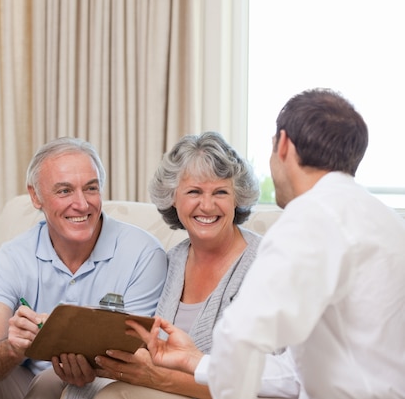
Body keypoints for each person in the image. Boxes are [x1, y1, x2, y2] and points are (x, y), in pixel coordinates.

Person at [128, 88, 405, 398]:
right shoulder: (387, 220)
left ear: (282, 144)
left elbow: (240, 340)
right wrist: (195, 360)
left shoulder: (308, 218)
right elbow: (293, 373)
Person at [0, 137, 168, 399]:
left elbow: (138, 356)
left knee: (52, 380)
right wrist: (13, 347)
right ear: (35, 196)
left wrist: (88, 363)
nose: (81, 204)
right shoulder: (10, 259)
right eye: (64, 191)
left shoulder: (143, 254)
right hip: (23, 382)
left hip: (103, 385)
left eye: (91, 188)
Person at [59, 132, 299, 399]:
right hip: (162, 387)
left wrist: (161, 378)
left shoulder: (266, 264)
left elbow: (272, 383)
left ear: (237, 198)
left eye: (220, 192)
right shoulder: (171, 260)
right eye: (194, 191)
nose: (207, 205)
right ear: (173, 197)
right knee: (66, 386)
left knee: (114, 396)